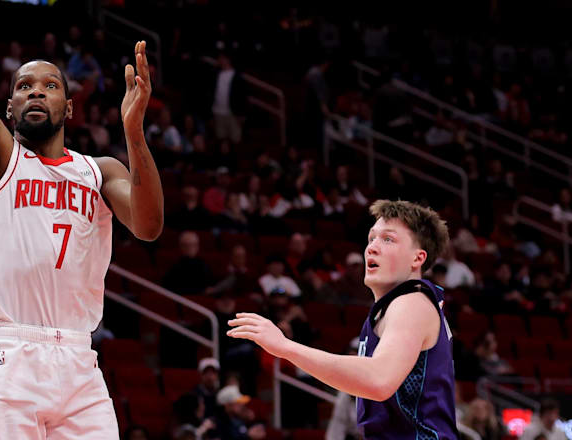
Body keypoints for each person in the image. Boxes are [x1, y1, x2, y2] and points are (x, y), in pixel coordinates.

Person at [0, 0, 164, 439]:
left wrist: (135, 135)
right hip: (6, 354)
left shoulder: (101, 170)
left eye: (49, 86)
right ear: (8, 109)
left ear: (70, 108)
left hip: (78, 360)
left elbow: (149, 225)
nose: (35, 92)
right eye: (23, 86)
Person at [228, 200, 457, 440]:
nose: (372, 248)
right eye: (371, 239)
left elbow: (378, 380)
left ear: (417, 258)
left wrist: (286, 347)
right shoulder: (392, 309)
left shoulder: (411, 302)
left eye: (388, 239)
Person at [210, 52, 247, 144]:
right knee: (221, 140)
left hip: (233, 114)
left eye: (222, 58)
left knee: (235, 139)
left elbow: (242, 96)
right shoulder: (215, 74)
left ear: (228, 59)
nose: (220, 60)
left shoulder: (237, 76)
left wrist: (242, 114)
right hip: (218, 112)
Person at [163, 231, 213, 295]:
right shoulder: (175, 267)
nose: (190, 248)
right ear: (181, 247)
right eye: (186, 245)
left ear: (198, 246)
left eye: (194, 245)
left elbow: (210, 285)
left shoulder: (204, 265)